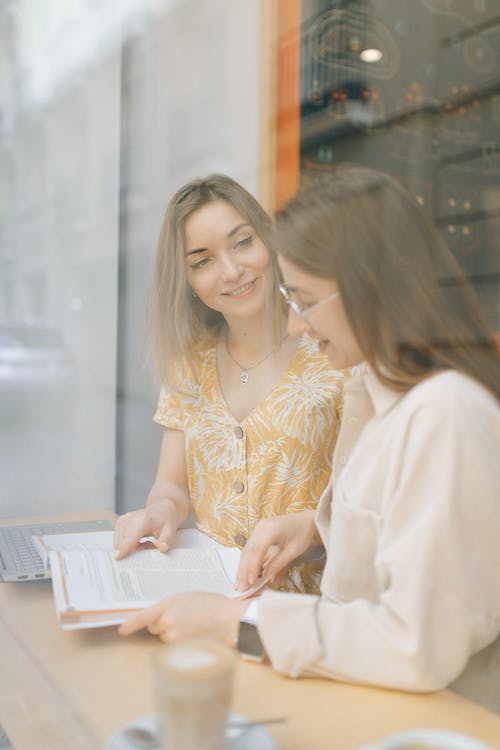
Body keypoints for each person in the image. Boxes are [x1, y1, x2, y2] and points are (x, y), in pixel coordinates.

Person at [119, 165, 500, 711]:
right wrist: (309, 527)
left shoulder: (445, 413)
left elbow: (417, 644)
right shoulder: (378, 390)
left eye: (304, 300)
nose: (295, 324)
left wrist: (238, 620)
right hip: (349, 686)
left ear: (373, 284)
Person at [113, 173, 347, 593]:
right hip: (212, 602)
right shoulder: (189, 359)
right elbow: (172, 483)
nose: (232, 270)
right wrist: (160, 511)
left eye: (242, 242)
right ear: (186, 281)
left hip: (314, 612)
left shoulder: (334, 350)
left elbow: (373, 502)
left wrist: (312, 527)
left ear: (269, 241)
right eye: (202, 261)